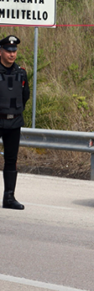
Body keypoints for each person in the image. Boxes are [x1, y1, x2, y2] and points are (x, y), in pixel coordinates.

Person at [0, 35, 30, 210]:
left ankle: (9, 198)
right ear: (1, 51)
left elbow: (25, 96)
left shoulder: (21, 72)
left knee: (11, 161)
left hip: (14, 122)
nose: (12, 54)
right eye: (8, 51)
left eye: (14, 51)